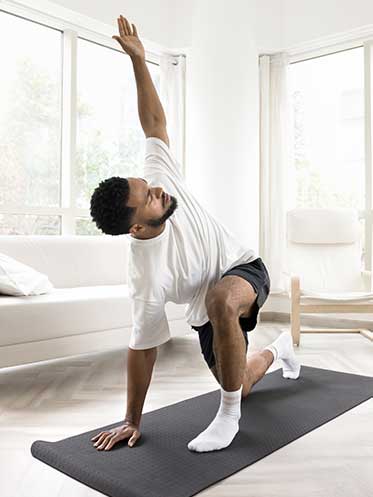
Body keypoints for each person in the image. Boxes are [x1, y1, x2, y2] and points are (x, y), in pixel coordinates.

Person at [90, 15, 301, 454]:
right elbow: (141, 347)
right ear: (135, 227)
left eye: (148, 185)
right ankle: (279, 351)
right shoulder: (145, 277)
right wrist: (132, 420)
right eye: (147, 198)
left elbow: (153, 123)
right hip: (207, 316)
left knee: (219, 298)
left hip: (242, 268)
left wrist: (139, 62)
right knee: (239, 384)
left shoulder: (159, 178)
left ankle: (227, 419)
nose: (157, 190)